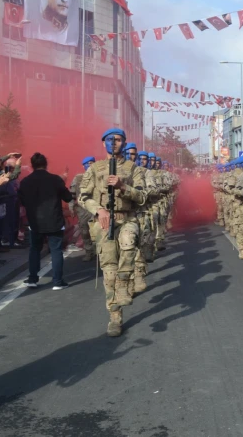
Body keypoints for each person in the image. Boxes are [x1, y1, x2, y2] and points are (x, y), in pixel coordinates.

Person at [79, 128, 146, 337]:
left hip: (126, 218)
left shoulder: (133, 168)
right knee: (109, 272)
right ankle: (115, 317)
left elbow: (142, 197)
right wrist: (98, 210)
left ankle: (125, 280)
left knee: (128, 241)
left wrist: (123, 186)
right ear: (103, 143)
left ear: (124, 143)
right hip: (104, 222)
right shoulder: (95, 169)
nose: (114, 143)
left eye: (118, 140)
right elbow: (82, 196)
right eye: (110, 139)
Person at [18, 153, 73, 290]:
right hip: (54, 219)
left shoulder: (25, 181)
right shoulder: (55, 180)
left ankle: (32, 279)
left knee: (34, 250)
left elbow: (22, 201)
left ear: (32, 165)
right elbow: (67, 197)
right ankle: (58, 281)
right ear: (46, 164)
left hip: (35, 222)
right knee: (56, 251)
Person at [69, 156, 96, 261]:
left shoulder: (100, 177)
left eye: (92, 163)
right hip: (83, 209)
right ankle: (89, 252)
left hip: (97, 208)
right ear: (83, 165)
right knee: (85, 232)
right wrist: (71, 207)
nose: (90, 165)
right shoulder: (78, 178)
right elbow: (71, 194)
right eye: (88, 163)